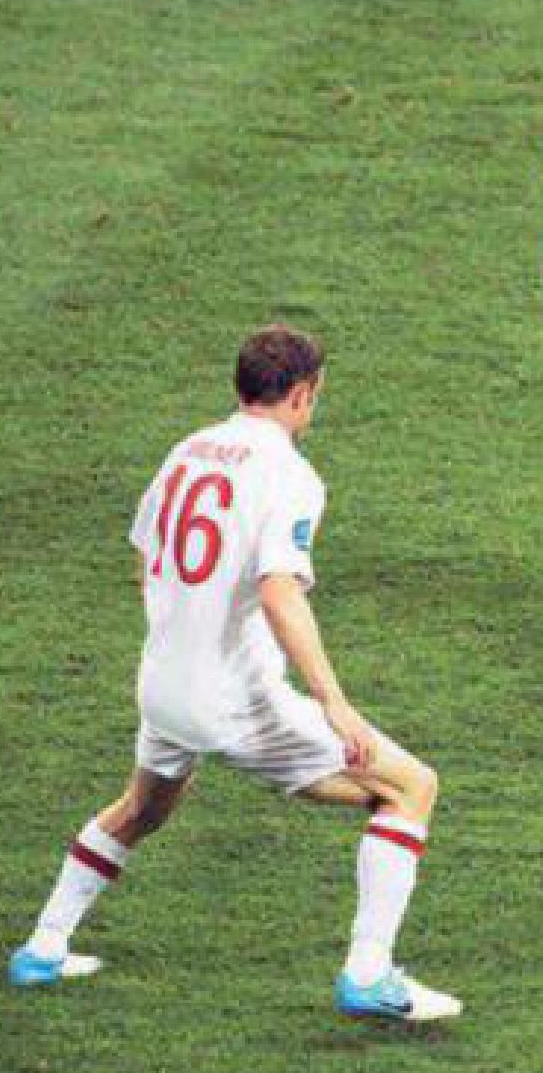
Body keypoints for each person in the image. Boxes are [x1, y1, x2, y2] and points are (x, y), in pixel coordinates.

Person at [7, 326, 462, 1022]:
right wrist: (333, 702)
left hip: (162, 683)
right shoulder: (291, 475)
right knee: (407, 787)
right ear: (302, 394)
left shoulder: (186, 451)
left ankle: (42, 947)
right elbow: (280, 592)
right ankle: (369, 974)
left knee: (142, 809)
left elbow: (145, 557)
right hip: (234, 700)